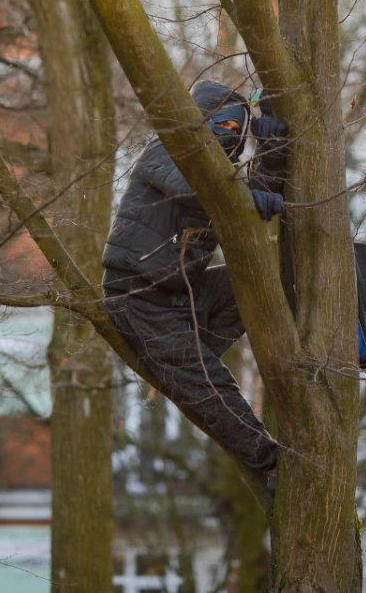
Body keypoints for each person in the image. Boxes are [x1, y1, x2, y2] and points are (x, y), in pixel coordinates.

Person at [101, 79, 287, 477]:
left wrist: (272, 146)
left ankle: (187, 359)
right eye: (226, 128)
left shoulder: (225, 179)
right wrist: (246, 196)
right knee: (210, 384)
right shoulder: (165, 151)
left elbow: (256, 197)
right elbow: (200, 190)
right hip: (139, 296)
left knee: (257, 284)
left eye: (240, 134)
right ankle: (269, 465)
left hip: (183, 295)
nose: (233, 141)